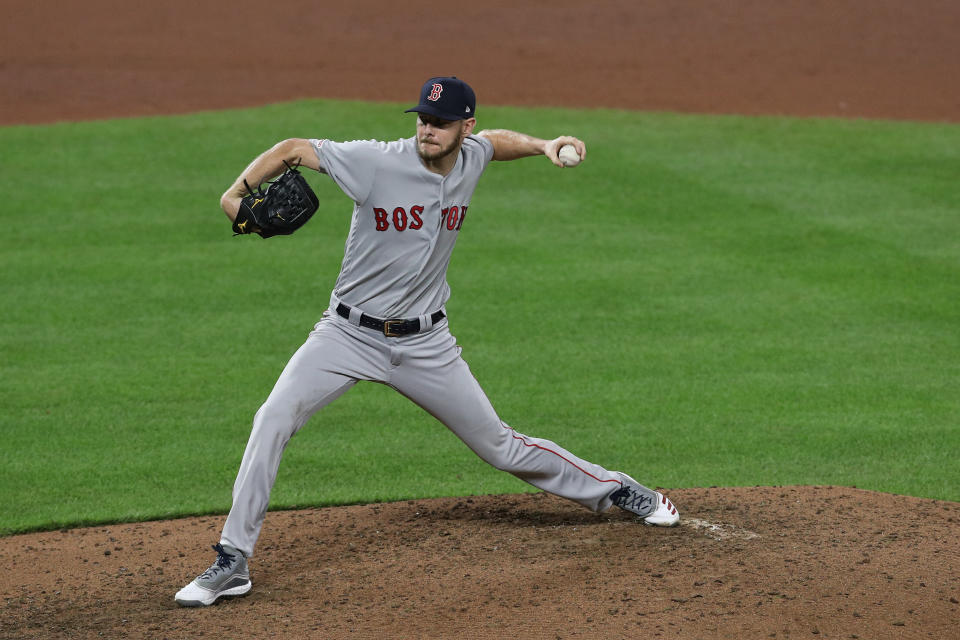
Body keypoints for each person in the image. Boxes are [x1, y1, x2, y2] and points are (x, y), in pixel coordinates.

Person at [175, 77, 680, 607]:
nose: (427, 130)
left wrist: (542, 144)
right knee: (272, 418)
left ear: (465, 126)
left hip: (426, 345)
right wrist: (234, 195)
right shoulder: (375, 162)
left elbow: (496, 144)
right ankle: (233, 559)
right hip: (347, 334)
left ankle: (615, 488)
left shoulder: (471, 157)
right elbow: (292, 150)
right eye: (421, 119)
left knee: (500, 445)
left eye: (440, 122)